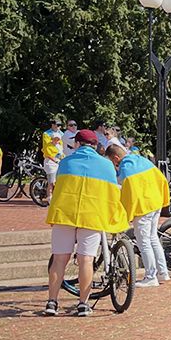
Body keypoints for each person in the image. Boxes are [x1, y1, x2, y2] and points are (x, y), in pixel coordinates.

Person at [43, 130, 128, 317]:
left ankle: (52, 302)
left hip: (64, 215)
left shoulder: (65, 163)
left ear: (78, 144)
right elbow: (112, 194)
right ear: (95, 145)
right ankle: (83, 304)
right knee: (86, 259)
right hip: (92, 216)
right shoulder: (106, 165)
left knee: (59, 259)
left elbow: (59, 191)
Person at [106, 144, 170, 287]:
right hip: (155, 203)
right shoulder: (142, 160)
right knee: (153, 238)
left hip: (142, 207)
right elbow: (162, 179)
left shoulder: (125, 167)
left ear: (116, 158)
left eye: (113, 162)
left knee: (143, 242)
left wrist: (126, 213)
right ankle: (163, 272)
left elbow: (126, 190)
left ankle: (150, 276)